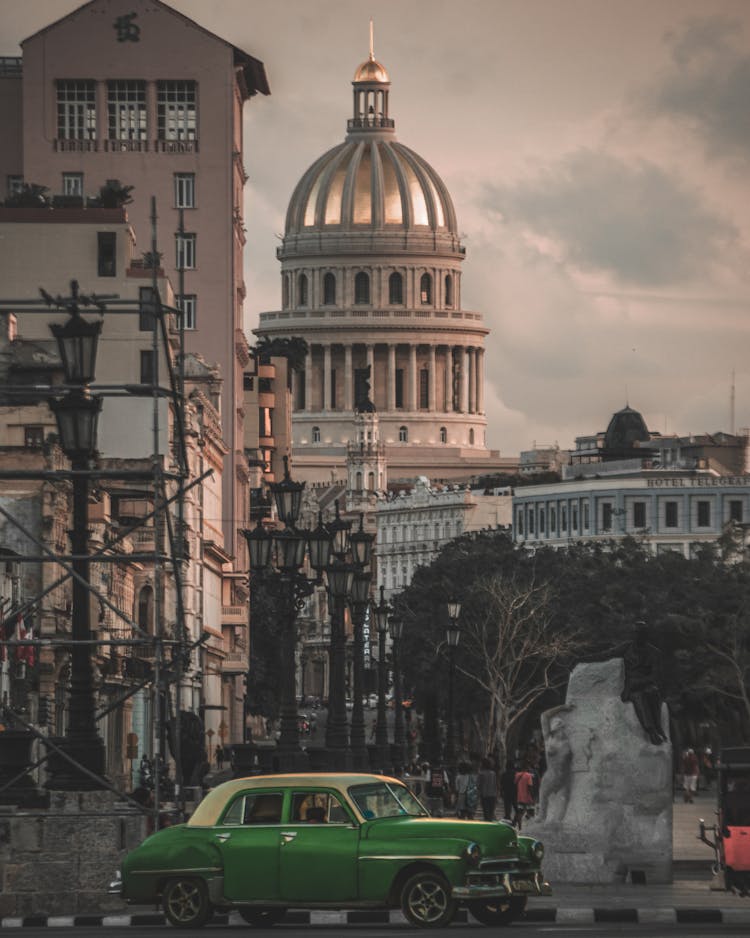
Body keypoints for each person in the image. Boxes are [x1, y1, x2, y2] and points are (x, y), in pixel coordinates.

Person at [514, 765, 536, 829]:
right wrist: (532, 796)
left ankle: (519, 827)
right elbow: (530, 786)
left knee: (520, 812)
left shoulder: (517, 775)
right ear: (526, 768)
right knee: (531, 812)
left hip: (519, 797)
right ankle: (529, 827)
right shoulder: (528, 775)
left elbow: (515, 784)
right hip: (527, 798)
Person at [477, 757, 497, 822]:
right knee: (491, 812)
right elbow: (495, 784)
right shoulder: (493, 773)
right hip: (493, 795)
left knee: (486, 812)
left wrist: (478, 794)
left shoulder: (481, 773)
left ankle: (487, 823)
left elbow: (478, 785)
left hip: (484, 795)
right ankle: (490, 823)